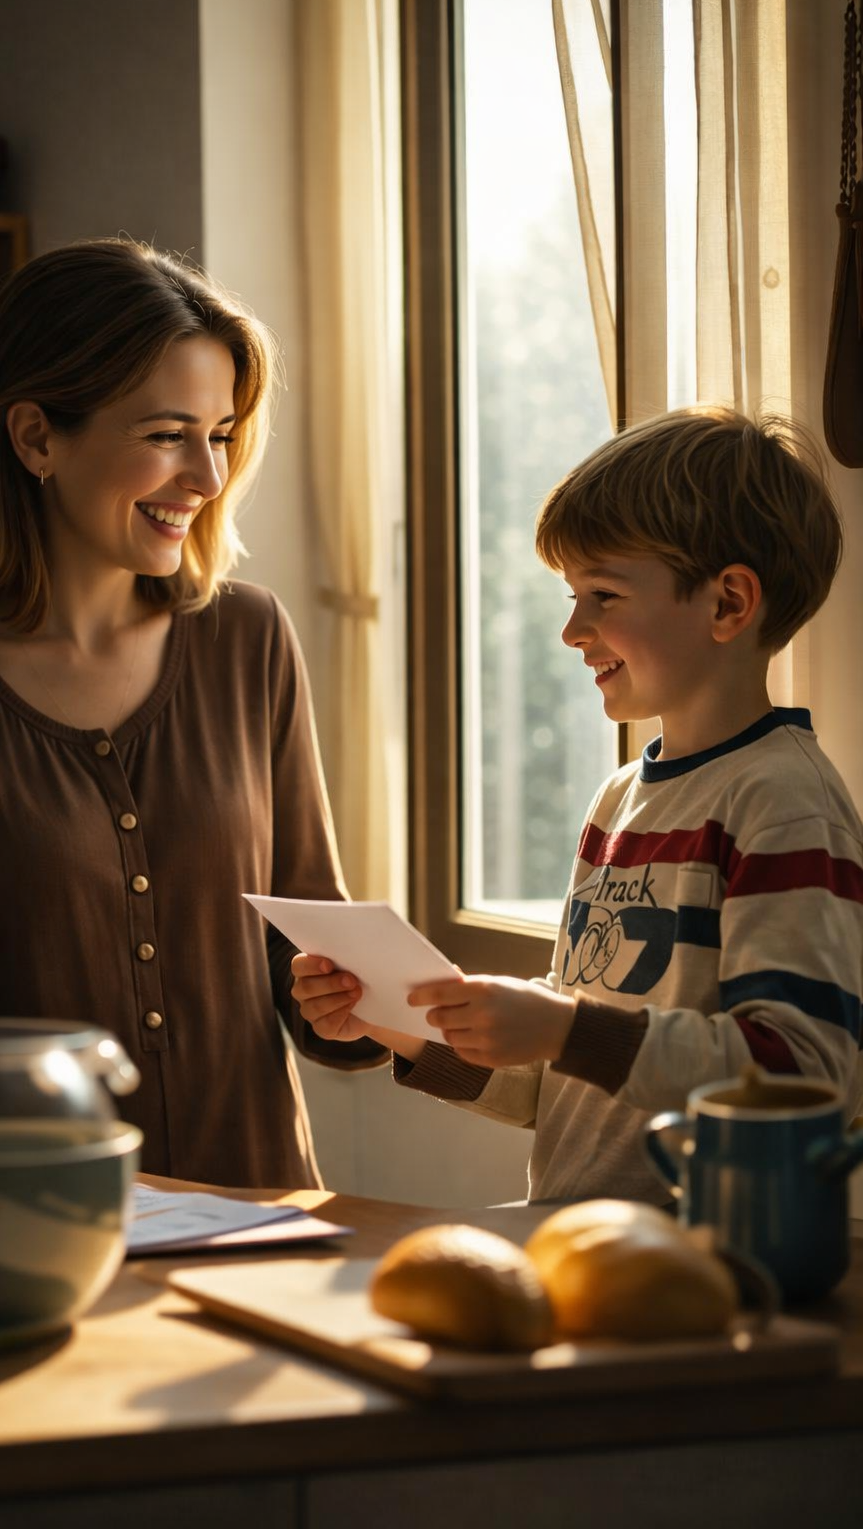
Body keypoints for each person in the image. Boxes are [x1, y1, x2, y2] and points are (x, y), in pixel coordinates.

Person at [0, 237, 386, 1189]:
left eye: (219, 436)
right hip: (36, 1226)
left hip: (260, 1217)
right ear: (36, 438)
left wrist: (359, 1007)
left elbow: (310, 934)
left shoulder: (250, 640)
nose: (208, 480)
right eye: (167, 435)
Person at [293, 406, 863, 1203]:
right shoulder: (617, 801)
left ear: (728, 604)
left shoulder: (784, 802)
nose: (571, 630)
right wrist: (400, 1027)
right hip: (587, 1245)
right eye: (572, 596)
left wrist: (565, 1028)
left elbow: (809, 1072)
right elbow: (562, 1086)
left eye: (602, 595)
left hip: (702, 1274)